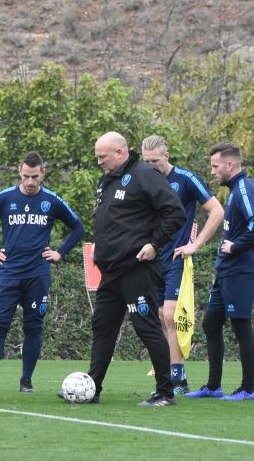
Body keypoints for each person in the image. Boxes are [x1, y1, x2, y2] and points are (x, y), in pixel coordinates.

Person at [0, 152, 85, 393]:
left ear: (42, 172)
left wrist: (59, 252)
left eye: (34, 176)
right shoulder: (4, 198)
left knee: (33, 326)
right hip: (9, 274)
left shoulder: (52, 201)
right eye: (26, 176)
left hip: (37, 275)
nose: (30, 182)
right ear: (19, 173)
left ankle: (26, 381)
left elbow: (78, 228)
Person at [87, 131, 186, 406]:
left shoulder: (144, 174)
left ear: (120, 152)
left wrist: (155, 244)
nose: (99, 162)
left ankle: (166, 393)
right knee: (103, 327)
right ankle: (92, 388)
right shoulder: (107, 179)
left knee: (146, 327)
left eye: (103, 157)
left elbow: (176, 212)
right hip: (111, 271)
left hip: (137, 268)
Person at [141, 135, 224, 395]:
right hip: (151, 260)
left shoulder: (185, 179)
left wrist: (195, 245)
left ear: (166, 157)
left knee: (170, 314)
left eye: (155, 160)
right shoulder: (143, 179)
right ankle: (176, 375)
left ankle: (175, 379)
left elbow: (217, 210)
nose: (150, 166)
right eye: (146, 161)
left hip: (176, 258)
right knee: (158, 318)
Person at [186, 142, 254, 401]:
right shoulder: (234, 190)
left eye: (215, 166)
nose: (212, 171)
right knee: (210, 323)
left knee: (241, 325)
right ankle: (213, 386)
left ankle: (247, 389)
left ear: (230, 165)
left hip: (241, 270)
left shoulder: (243, 188)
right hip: (226, 271)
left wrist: (236, 246)